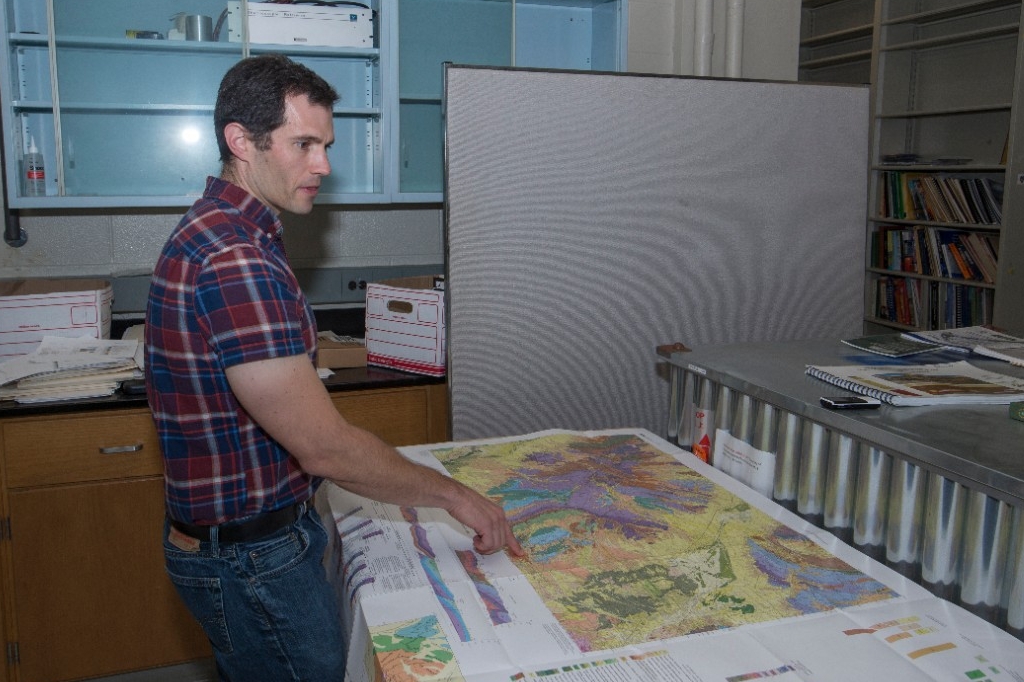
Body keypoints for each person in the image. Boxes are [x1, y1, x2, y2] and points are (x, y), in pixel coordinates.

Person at [145, 54, 523, 682]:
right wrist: (456, 496)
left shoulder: (217, 229)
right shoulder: (236, 258)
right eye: (304, 144)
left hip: (236, 546)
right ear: (241, 141)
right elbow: (323, 447)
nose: (322, 165)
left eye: (325, 146)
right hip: (252, 560)